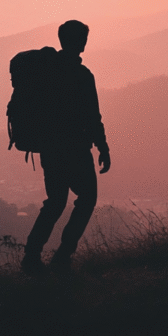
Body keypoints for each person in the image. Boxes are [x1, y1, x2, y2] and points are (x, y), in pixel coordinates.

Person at [20, 20, 111, 275]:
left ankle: (31, 256)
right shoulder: (82, 75)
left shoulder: (45, 72)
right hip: (76, 149)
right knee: (87, 198)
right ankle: (63, 256)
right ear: (81, 42)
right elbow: (93, 117)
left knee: (56, 202)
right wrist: (103, 147)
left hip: (50, 149)